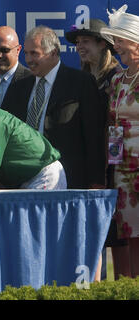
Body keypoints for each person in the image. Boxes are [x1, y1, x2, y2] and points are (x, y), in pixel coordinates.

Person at [3, 26, 107, 190]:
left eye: (34, 53)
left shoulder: (80, 83)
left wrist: (96, 180)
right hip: (22, 179)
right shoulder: (18, 88)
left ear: (53, 53)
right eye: (26, 53)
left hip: (67, 179)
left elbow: (93, 135)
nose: (28, 59)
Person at [66, 18, 123, 281]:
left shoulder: (115, 78)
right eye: (78, 43)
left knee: (120, 237)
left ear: (103, 44)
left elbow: (116, 125)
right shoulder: (84, 79)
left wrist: (110, 167)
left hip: (115, 166)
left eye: (86, 41)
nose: (80, 47)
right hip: (94, 164)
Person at [100, 4, 139, 279]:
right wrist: (111, 165)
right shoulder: (117, 79)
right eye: (115, 43)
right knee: (131, 236)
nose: (117, 47)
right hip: (122, 172)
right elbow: (112, 125)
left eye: (121, 41)